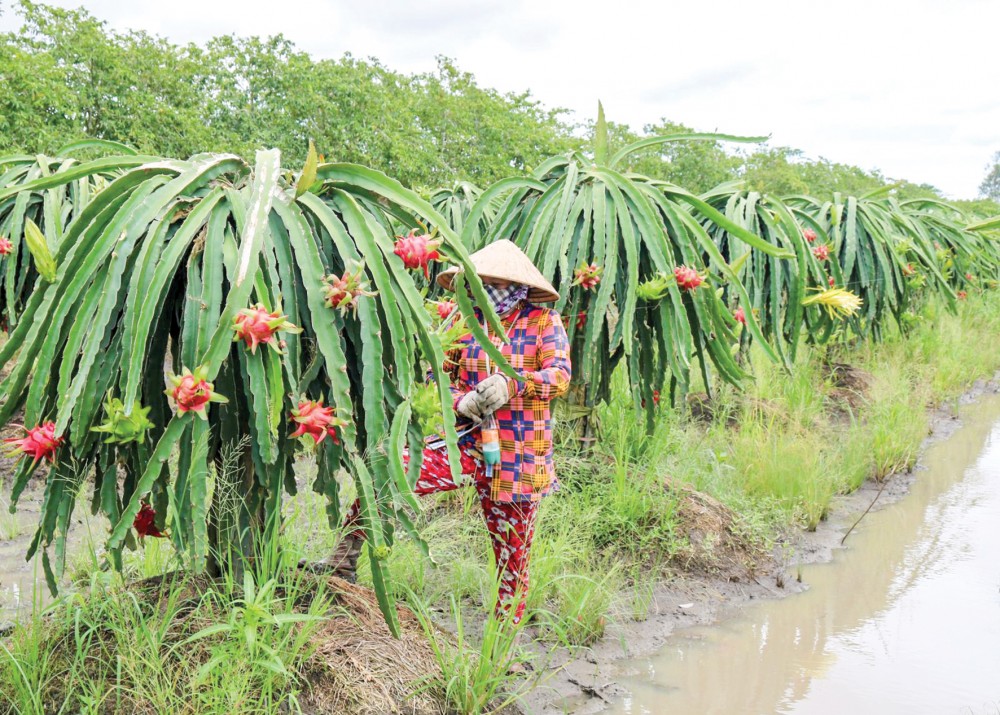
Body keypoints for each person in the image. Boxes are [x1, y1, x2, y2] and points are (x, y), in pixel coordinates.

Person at [318, 239, 571, 624]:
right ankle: (341, 565)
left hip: (517, 456)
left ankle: (502, 646)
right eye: (478, 282)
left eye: (493, 282)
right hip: (463, 443)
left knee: (513, 556)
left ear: (514, 284)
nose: (484, 289)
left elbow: (560, 376)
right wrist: (459, 401)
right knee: (390, 471)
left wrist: (512, 384)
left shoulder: (542, 322)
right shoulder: (460, 319)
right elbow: (438, 376)